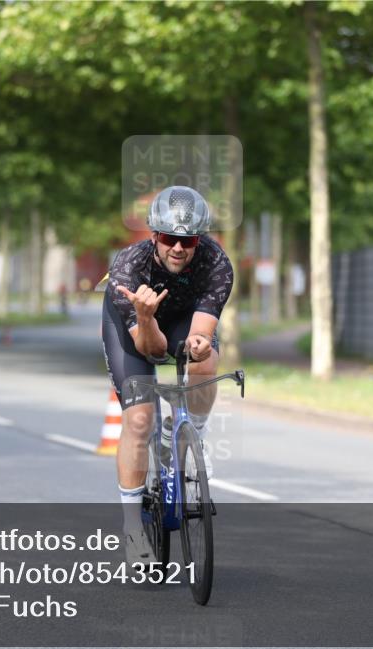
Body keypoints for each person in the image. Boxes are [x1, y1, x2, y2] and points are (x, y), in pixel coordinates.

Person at [101, 186, 233, 565]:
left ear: (200, 239)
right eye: (169, 238)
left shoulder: (216, 263)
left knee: (205, 362)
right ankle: (132, 528)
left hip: (183, 320)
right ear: (154, 235)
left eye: (188, 239)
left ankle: (195, 440)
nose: (178, 247)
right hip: (136, 331)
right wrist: (144, 316)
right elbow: (152, 351)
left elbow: (201, 333)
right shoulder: (129, 268)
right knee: (140, 420)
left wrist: (200, 345)